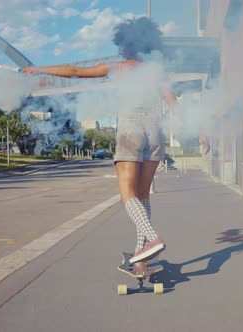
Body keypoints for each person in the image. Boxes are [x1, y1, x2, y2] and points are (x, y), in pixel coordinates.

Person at [22, 17, 172, 264]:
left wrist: (39, 69)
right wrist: (202, 132)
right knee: (143, 196)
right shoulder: (157, 72)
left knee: (128, 194)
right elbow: (173, 102)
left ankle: (153, 239)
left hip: (131, 128)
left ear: (125, 45)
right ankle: (141, 255)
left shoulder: (119, 67)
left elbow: (76, 72)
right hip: (155, 131)